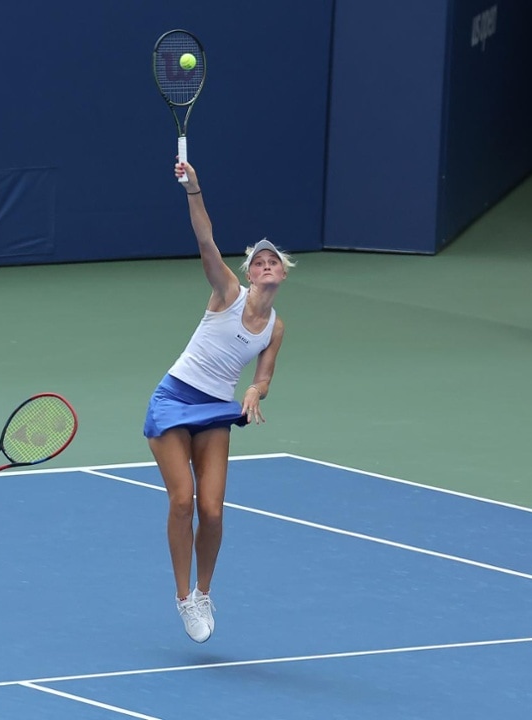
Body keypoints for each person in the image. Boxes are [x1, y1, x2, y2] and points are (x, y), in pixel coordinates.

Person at [143, 161, 294, 643]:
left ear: (283, 274)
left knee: (212, 508)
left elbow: (264, 377)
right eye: (259, 262)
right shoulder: (227, 292)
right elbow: (206, 240)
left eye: (273, 262)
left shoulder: (277, 327)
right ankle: (183, 596)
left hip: (215, 411)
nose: (266, 266)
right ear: (248, 273)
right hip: (174, 398)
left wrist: (253, 390)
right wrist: (194, 191)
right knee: (182, 500)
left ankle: (204, 592)